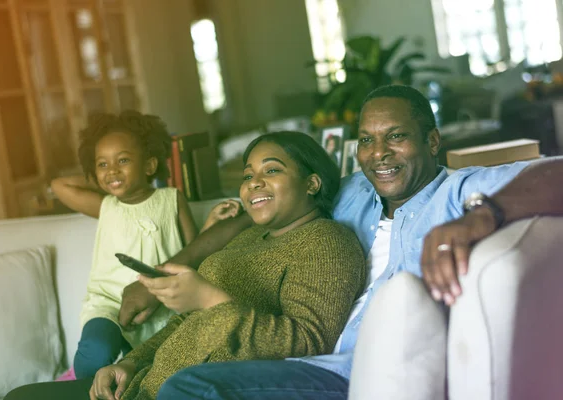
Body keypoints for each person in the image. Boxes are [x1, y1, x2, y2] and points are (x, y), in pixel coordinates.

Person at [136, 84, 540, 399]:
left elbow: (553, 172)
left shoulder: (456, 192)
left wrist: (485, 214)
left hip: (367, 374)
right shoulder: (355, 190)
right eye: (366, 140)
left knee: (192, 389)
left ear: (432, 142)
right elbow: (251, 214)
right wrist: (154, 280)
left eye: (396, 136)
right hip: (310, 364)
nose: (379, 153)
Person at [4, 131, 366, 400]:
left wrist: (212, 301)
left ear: (312, 183)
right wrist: (130, 364)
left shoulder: (327, 242)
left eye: (271, 171)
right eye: (247, 174)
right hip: (143, 384)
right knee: (21, 397)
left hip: (196, 390)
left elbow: (308, 341)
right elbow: (183, 322)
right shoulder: (245, 239)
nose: (254, 182)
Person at [49, 111, 198, 380]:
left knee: (163, 371)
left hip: (162, 306)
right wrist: (103, 176)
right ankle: (78, 376)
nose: (112, 170)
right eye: (102, 164)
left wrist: (212, 221)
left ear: (150, 165)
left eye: (124, 160)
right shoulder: (105, 206)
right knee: (92, 359)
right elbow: (60, 185)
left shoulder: (171, 200)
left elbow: (195, 251)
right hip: (109, 304)